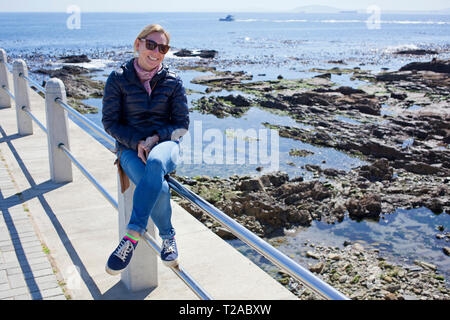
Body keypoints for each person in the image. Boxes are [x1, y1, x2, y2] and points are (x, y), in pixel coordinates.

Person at [102, 24, 189, 275]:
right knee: (159, 187)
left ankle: (131, 236)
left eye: (163, 47)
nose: (156, 52)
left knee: (155, 165)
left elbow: (181, 124)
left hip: (166, 145)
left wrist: (154, 139)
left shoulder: (173, 81)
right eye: (151, 44)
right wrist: (137, 143)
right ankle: (169, 238)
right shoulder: (118, 79)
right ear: (138, 43)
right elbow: (110, 122)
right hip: (129, 149)